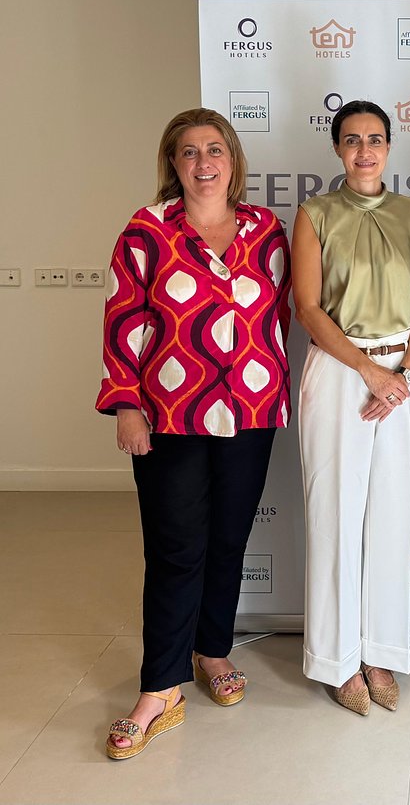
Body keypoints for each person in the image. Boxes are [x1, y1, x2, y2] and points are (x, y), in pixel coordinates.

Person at [97, 108, 291, 759]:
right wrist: (126, 405)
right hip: (169, 413)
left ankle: (212, 650)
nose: (203, 162)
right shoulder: (147, 230)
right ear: (173, 163)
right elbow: (122, 319)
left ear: (232, 160)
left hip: (251, 410)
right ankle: (160, 687)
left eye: (214, 150)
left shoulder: (266, 230)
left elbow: (283, 313)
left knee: (229, 540)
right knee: (176, 547)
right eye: (189, 152)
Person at [292, 99, 410, 716]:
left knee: (392, 513)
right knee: (335, 513)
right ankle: (336, 659)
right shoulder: (315, 214)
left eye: (375, 139)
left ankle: (380, 651)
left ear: (389, 145)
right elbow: (307, 307)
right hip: (339, 371)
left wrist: (403, 373)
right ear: (337, 148)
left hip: (402, 375)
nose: (364, 150)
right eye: (352, 140)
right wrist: (368, 370)